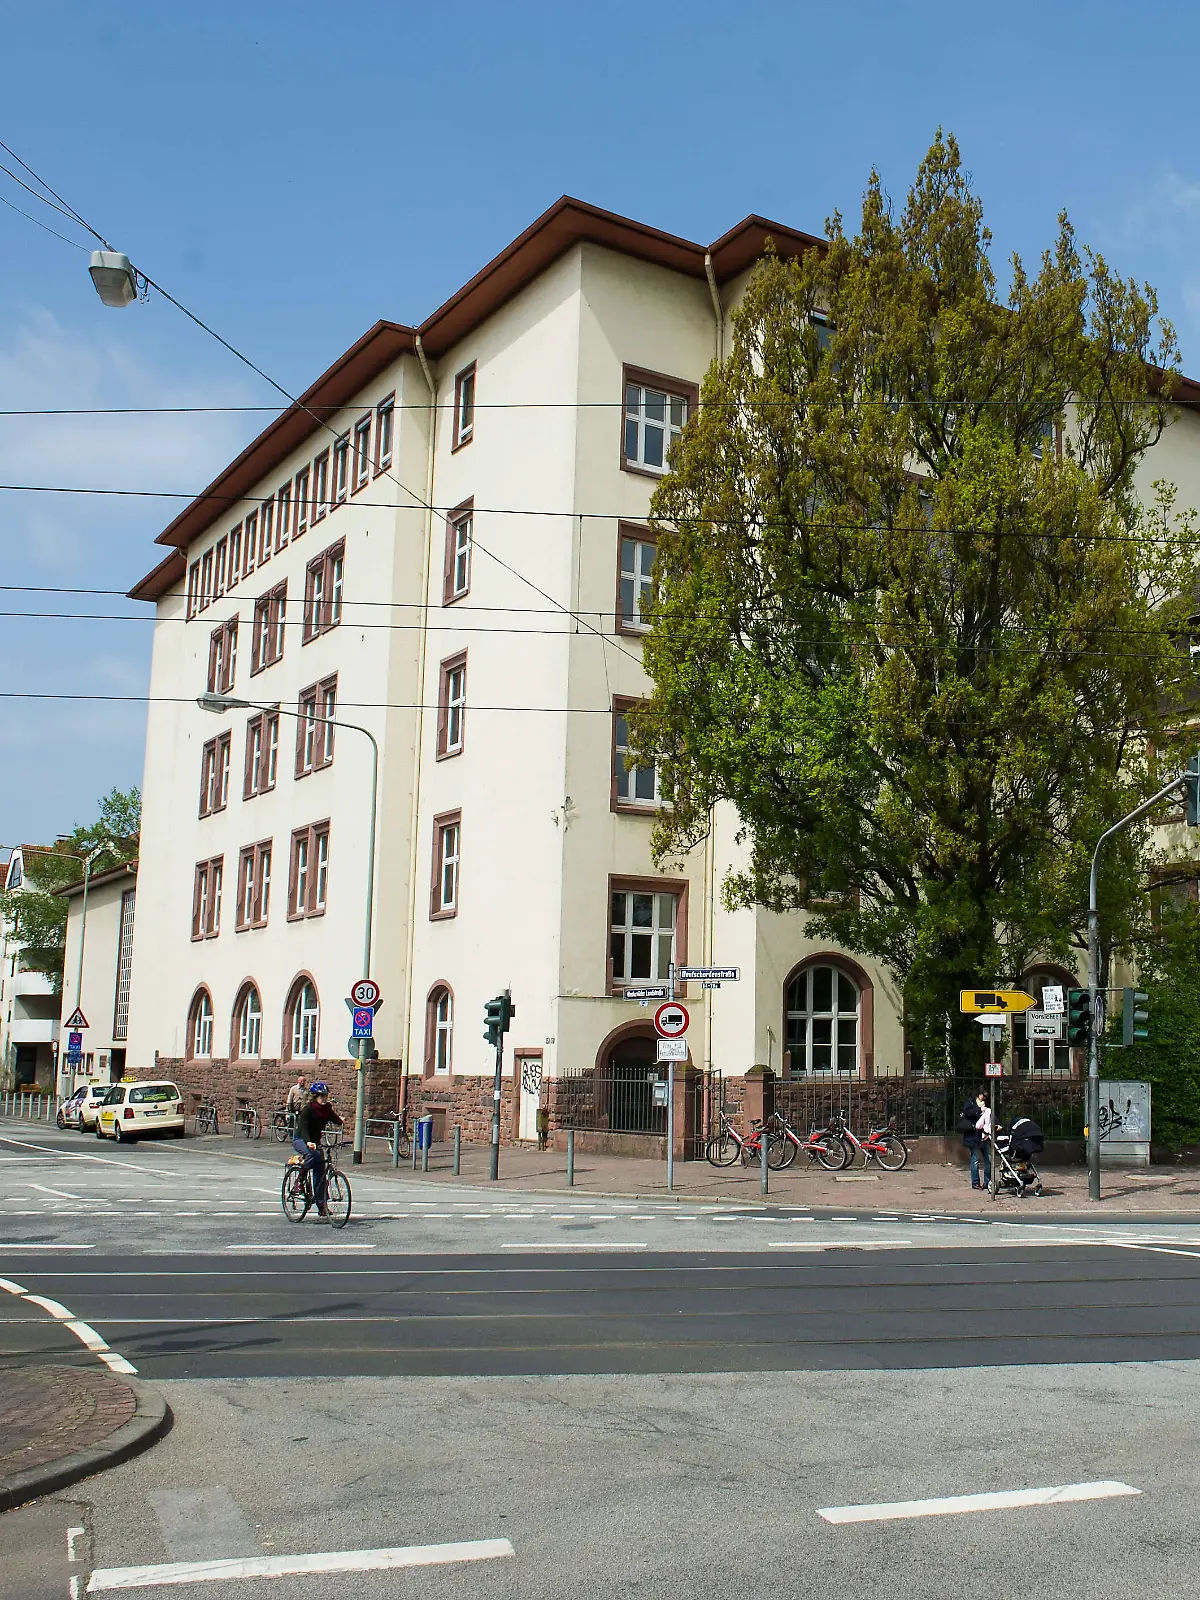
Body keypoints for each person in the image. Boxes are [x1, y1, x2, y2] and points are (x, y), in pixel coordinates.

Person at [292, 1082, 343, 1217]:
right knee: (311, 1156)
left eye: (325, 1096)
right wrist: (308, 1141)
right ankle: (299, 1181)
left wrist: (340, 1121)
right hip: (301, 1139)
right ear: (315, 1097)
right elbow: (303, 1127)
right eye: (321, 1096)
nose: (324, 1098)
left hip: (315, 1141)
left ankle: (321, 1205)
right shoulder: (308, 1109)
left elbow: (335, 1119)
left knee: (320, 1171)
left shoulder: (327, 1109)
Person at [959, 1088, 992, 1190]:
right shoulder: (970, 1102)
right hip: (974, 1135)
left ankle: (988, 1181)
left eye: (985, 1096)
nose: (984, 1098)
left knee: (989, 1158)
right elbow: (967, 1113)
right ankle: (975, 1182)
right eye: (983, 1095)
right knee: (975, 1159)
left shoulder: (986, 1103)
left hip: (984, 1134)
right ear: (978, 1094)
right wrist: (979, 1109)